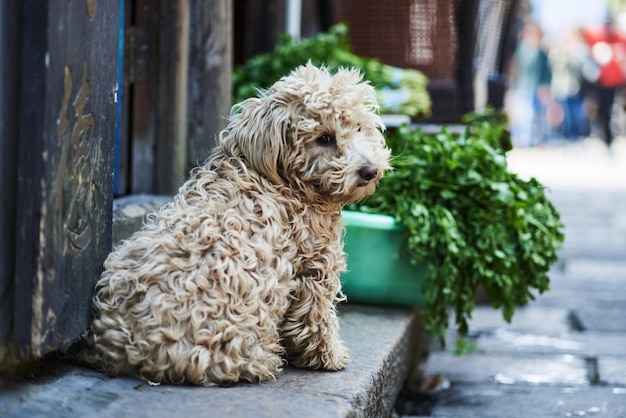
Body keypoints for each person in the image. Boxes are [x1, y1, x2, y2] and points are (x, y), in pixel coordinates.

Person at [582, 17, 626, 148]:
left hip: (616, 83)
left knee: (613, 109)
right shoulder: (598, 38)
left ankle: (610, 137)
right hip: (600, 83)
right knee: (600, 110)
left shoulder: (620, 39)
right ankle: (603, 136)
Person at [509, 19, 553, 147]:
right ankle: (521, 139)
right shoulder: (521, 48)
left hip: (535, 88)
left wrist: (546, 88)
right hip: (522, 87)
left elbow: (546, 72)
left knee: (535, 115)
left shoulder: (540, 52)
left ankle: (532, 139)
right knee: (523, 115)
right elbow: (515, 68)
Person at [548, 28, 591, 140]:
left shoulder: (578, 50)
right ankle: (564, 135)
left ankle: (574, 135)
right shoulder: (559, 50)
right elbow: (557, 64)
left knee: (575, 113)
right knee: (563, 113)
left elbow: (581, 66)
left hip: (574, 87)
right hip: (561, 88)